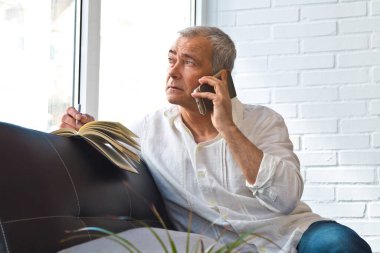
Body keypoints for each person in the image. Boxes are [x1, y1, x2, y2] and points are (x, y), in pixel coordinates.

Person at [61, 26, 372, 252]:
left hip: (291, 234)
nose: (173, 72)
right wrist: (83, 129)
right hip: (219, 247)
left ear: (220, 77)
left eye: (189, 62)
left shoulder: (263, 121)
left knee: (341, 244)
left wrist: (228, 129)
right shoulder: (150, 129)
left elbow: (286, 196)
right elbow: (111, 145)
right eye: (172, 59)